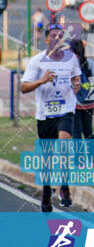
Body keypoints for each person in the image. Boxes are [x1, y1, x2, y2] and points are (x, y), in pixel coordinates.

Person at [21, 23, 81, 212]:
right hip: (45, 114)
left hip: (66, 109)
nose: (57, 39)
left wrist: (76, 84)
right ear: (47, 39)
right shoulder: (36, 61)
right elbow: (24, 88)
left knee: (63, 145)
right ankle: (47, 193)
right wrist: (41, 81)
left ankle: (64, 186)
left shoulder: (71, 59)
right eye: (53, 35)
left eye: (60, 36)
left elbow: (75, 78)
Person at [69, 39, 94, 140]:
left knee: (76, 132)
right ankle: (93, 155)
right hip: (89, 104)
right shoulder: (91, 63)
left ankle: (78, 156)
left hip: (74, 104)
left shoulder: (69, 64)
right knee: (88, 131)